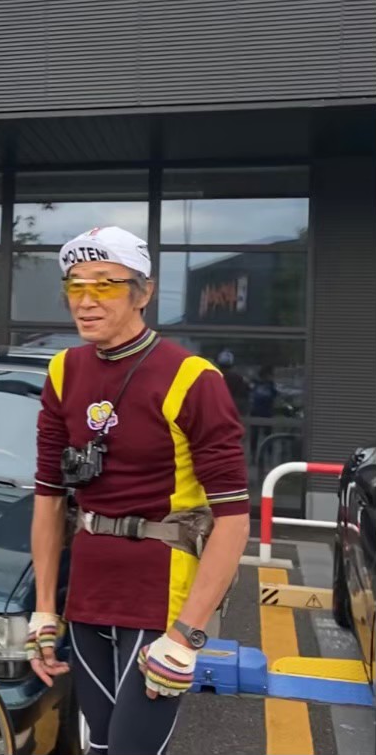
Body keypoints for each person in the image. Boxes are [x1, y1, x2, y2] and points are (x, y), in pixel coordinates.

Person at [27, 226, 251, 755]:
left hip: (161, 595)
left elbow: (234, 518)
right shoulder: (63, 370)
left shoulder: (192, 377)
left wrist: (188, 635)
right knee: (100, 745)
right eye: (75, 285)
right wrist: (44, 609)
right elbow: (48, 494)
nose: (86, 300)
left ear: (143, 292)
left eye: (105, 284)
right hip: (89, 589)